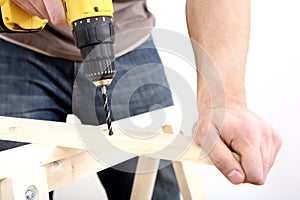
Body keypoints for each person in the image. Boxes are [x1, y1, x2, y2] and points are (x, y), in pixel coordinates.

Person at [0, 0, 282, 199]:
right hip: (15, 46)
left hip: (126, 37)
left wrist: (226, 97)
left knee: (159, 188)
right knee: (10, 179)